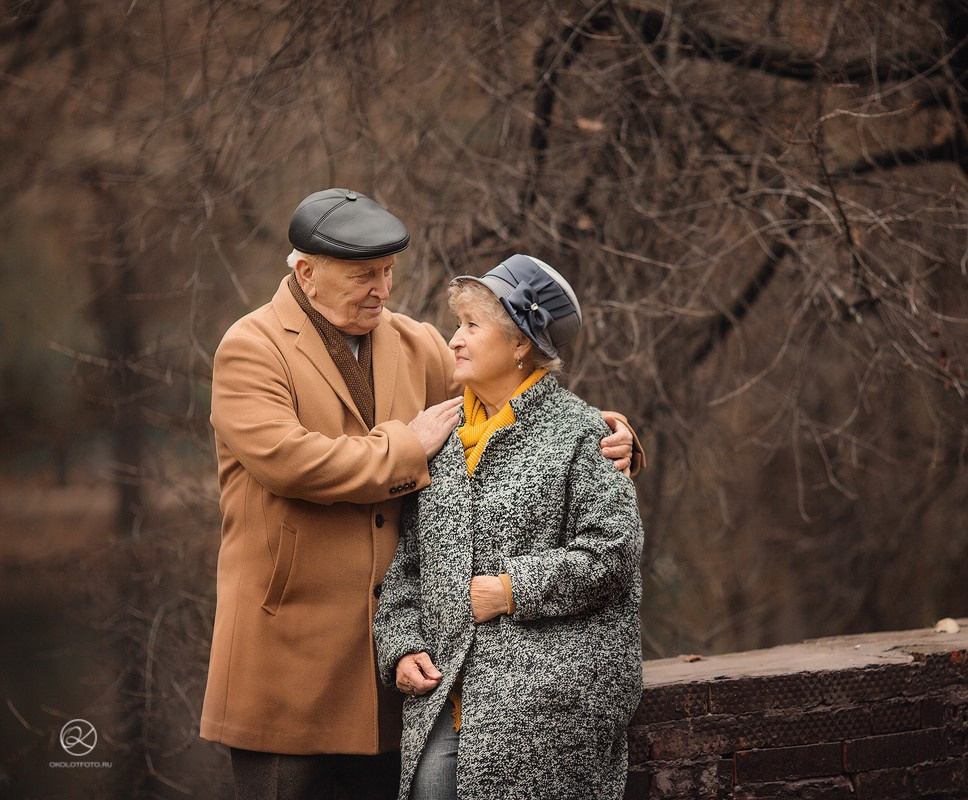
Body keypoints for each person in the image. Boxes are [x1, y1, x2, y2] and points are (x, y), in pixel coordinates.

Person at [201, 189, 642, 800]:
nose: (381, 289)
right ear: (307, 273)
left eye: (386, 273)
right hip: (289, 663)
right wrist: (407, 447)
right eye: (362, 276)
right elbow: (292, 463)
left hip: (397, 671)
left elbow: (512, 401)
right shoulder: (250, 348)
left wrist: (609, 435)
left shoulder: (416, 342)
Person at [373, 254, 644, 800]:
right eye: (457, 325)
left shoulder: (582, 433)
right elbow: (408, 564)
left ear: (521, 344)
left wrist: (513, 590)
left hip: (547, 706)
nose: (455, 340)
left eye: (473, 326)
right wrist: (400, 647)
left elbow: (613, 553)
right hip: (446, 694)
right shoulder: (440, 439)